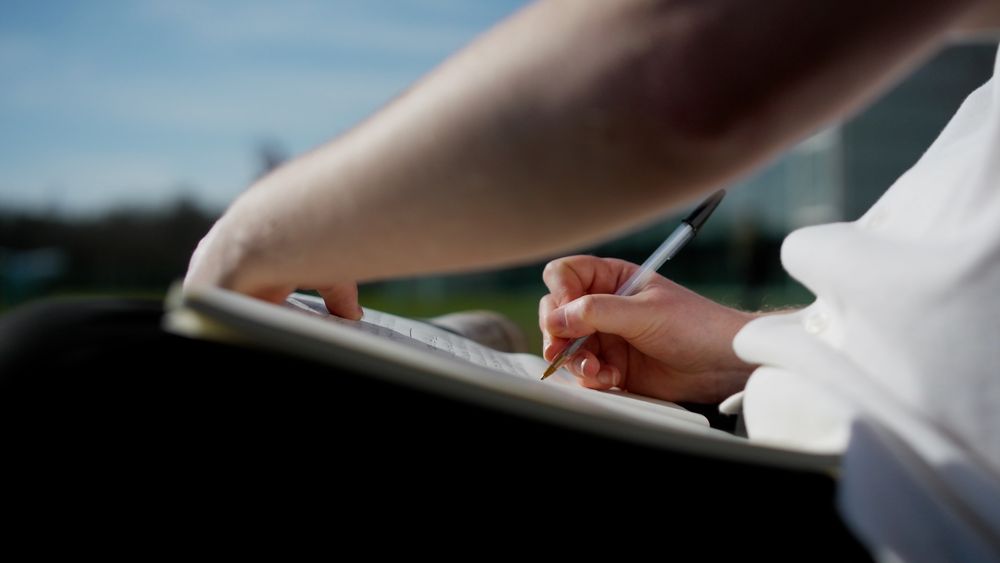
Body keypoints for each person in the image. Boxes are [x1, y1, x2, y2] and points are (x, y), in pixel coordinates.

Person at [3, 0, 999, 557]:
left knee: (64, 368)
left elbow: (680, 71)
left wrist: (264, 229)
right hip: (802, 433)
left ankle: (480, 340)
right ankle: (484, 344)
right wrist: (731, 345)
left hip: (882, 511)